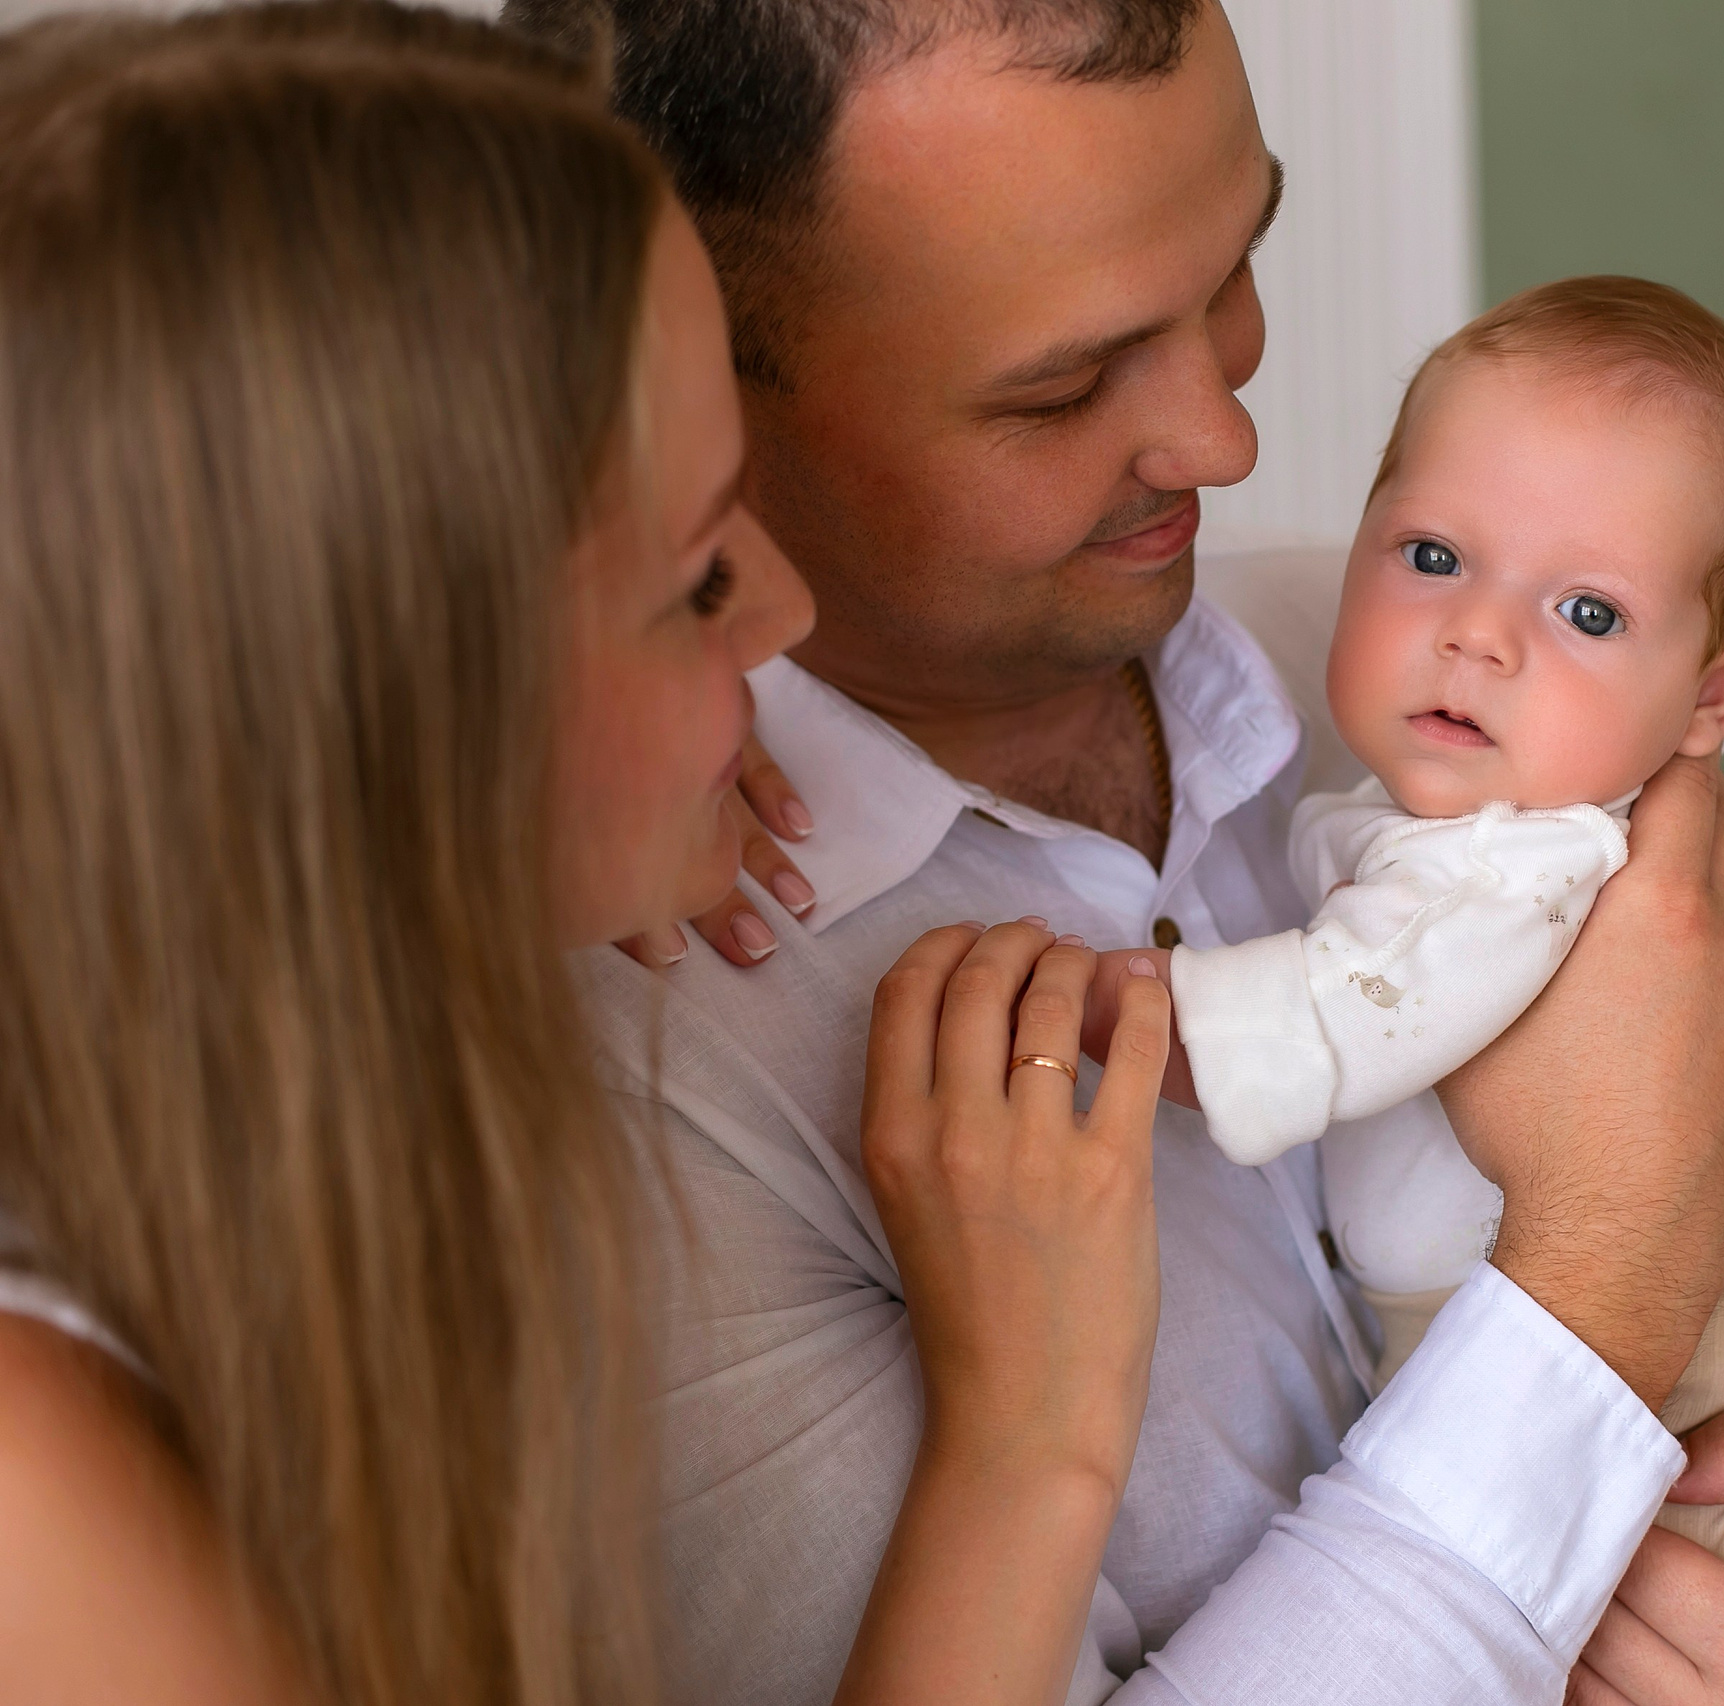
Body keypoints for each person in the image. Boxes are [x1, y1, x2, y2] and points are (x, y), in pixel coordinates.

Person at [506, 1, 1724, 1701]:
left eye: (1235, 269)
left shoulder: (1420, 663)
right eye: (1064, 385)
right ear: (690, 398)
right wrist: (1603, 1277)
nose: (1228, 442)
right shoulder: (629, 1093)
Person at [0, 7, 1163, 1703]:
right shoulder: (45, 1513)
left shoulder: (327, 1183)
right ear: (391, 731)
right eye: (699, 582)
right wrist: (1029, 1447)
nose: (786, 617)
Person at [1070, 275, 1724, 1577]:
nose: (1477, 636)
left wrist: (1129, 1016)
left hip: (1713, 1484)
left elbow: (1360, 1005)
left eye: (1587, 613)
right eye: (1434, 556)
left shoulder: (1535, 864)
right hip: (1604, 1458)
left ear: (1713, 691)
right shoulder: (1475, 820)